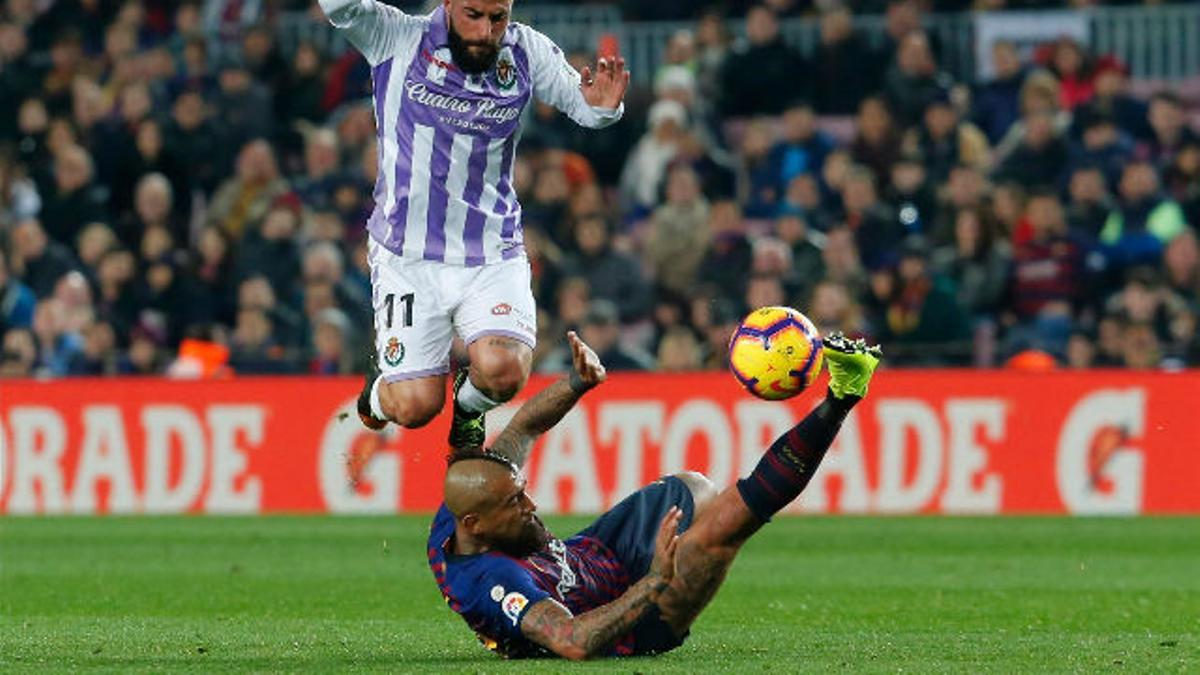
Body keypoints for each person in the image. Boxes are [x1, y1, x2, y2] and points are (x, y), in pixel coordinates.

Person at [429, 330, 882, 658]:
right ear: (476, 527)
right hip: (625, 620)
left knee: (693, 486)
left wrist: (577, 383)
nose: (531, 505)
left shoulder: (467, 505)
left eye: (522, 493)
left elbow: (523, 428)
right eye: (516, 504)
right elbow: (574, 641)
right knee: (721, 531)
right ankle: (841, 399)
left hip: (593, 557)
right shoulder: (492, 582)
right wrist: (656, 580)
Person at [317, 0, 629, 448]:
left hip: (490, 252)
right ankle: (376, 396)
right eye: (473, 15)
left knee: (504, 370)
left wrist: (602, 108)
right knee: (415, 407)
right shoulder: (397, 37)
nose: (485, 32)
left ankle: (469, 410)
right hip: (407, 256)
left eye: (497, 18)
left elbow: (583, 104)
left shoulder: (525, 52)